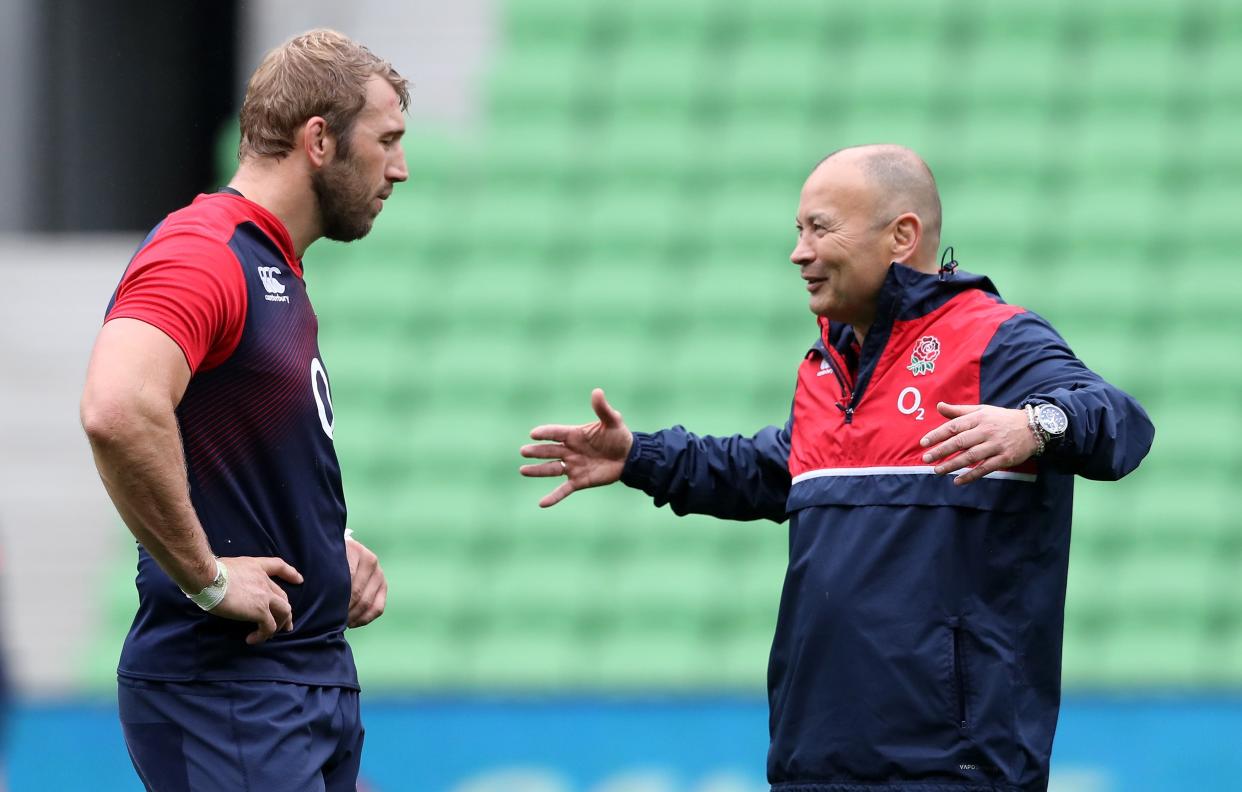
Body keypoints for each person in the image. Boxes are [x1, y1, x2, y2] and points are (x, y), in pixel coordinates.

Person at [520, 144, 1154, 792]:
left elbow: (1120, 421)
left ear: (902, 236)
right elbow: (774, 467)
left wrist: (1033, 426)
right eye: (799, 231)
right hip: (814, 763)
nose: (799, 252)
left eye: (820, 228)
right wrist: (639, 457)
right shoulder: (827, 364)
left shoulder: (998, 341)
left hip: (954, 771)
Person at [80, 29, 408, 791]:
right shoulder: (204, 251)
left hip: (296, 681)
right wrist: (206, 578)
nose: (399, 168)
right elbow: (118, 408)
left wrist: (330, 543)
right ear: (319, 139)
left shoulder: (269, 262)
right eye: (386, 141)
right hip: (231, 690)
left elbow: (243, 446)